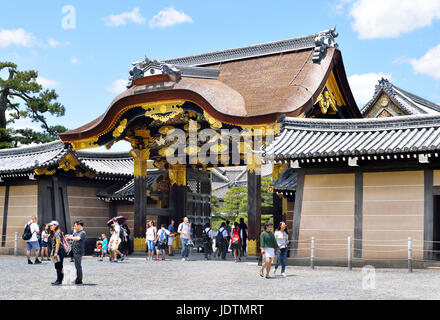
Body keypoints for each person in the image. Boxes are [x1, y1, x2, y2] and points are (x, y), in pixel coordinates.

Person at [65, 219, 86, 285]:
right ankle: (78, 278)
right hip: (75, 251)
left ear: (79, 225)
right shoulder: (76, 232)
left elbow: (77, 238)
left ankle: (79, 280)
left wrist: (69, 237)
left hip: (79, 251)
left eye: (75, 226)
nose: (74, 227)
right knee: (77, 266)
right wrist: (68, 237)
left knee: (78, 266)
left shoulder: (82, 232)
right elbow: (73, 237)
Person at [49, 221, 65, 285]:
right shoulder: (55, 232)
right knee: (57, 266)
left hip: (59, 251)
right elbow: (54, 244)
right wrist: (52, 252)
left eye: (51, 225)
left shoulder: (57, 233)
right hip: (56, 251)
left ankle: (59, 280)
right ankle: (59, 279)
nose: (50, 227)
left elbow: (58, 243)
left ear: (55, 225)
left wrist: (55, 252)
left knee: (59, 266)